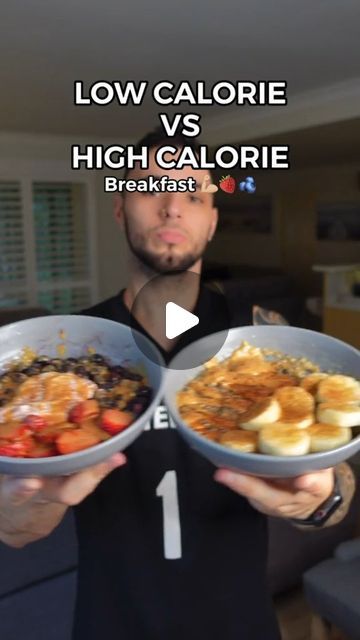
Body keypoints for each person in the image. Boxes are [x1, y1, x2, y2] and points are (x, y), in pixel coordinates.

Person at [0, 128, 356, 640]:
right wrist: (19, 516)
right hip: (112, 623)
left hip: (240, 623)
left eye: (192, 193)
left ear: (212, 222)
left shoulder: (261, 338)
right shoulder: (73, 353)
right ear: (121, 209)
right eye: (151, 186)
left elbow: (339, 487)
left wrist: (317, 501)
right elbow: (17, 524)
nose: (172, 206)